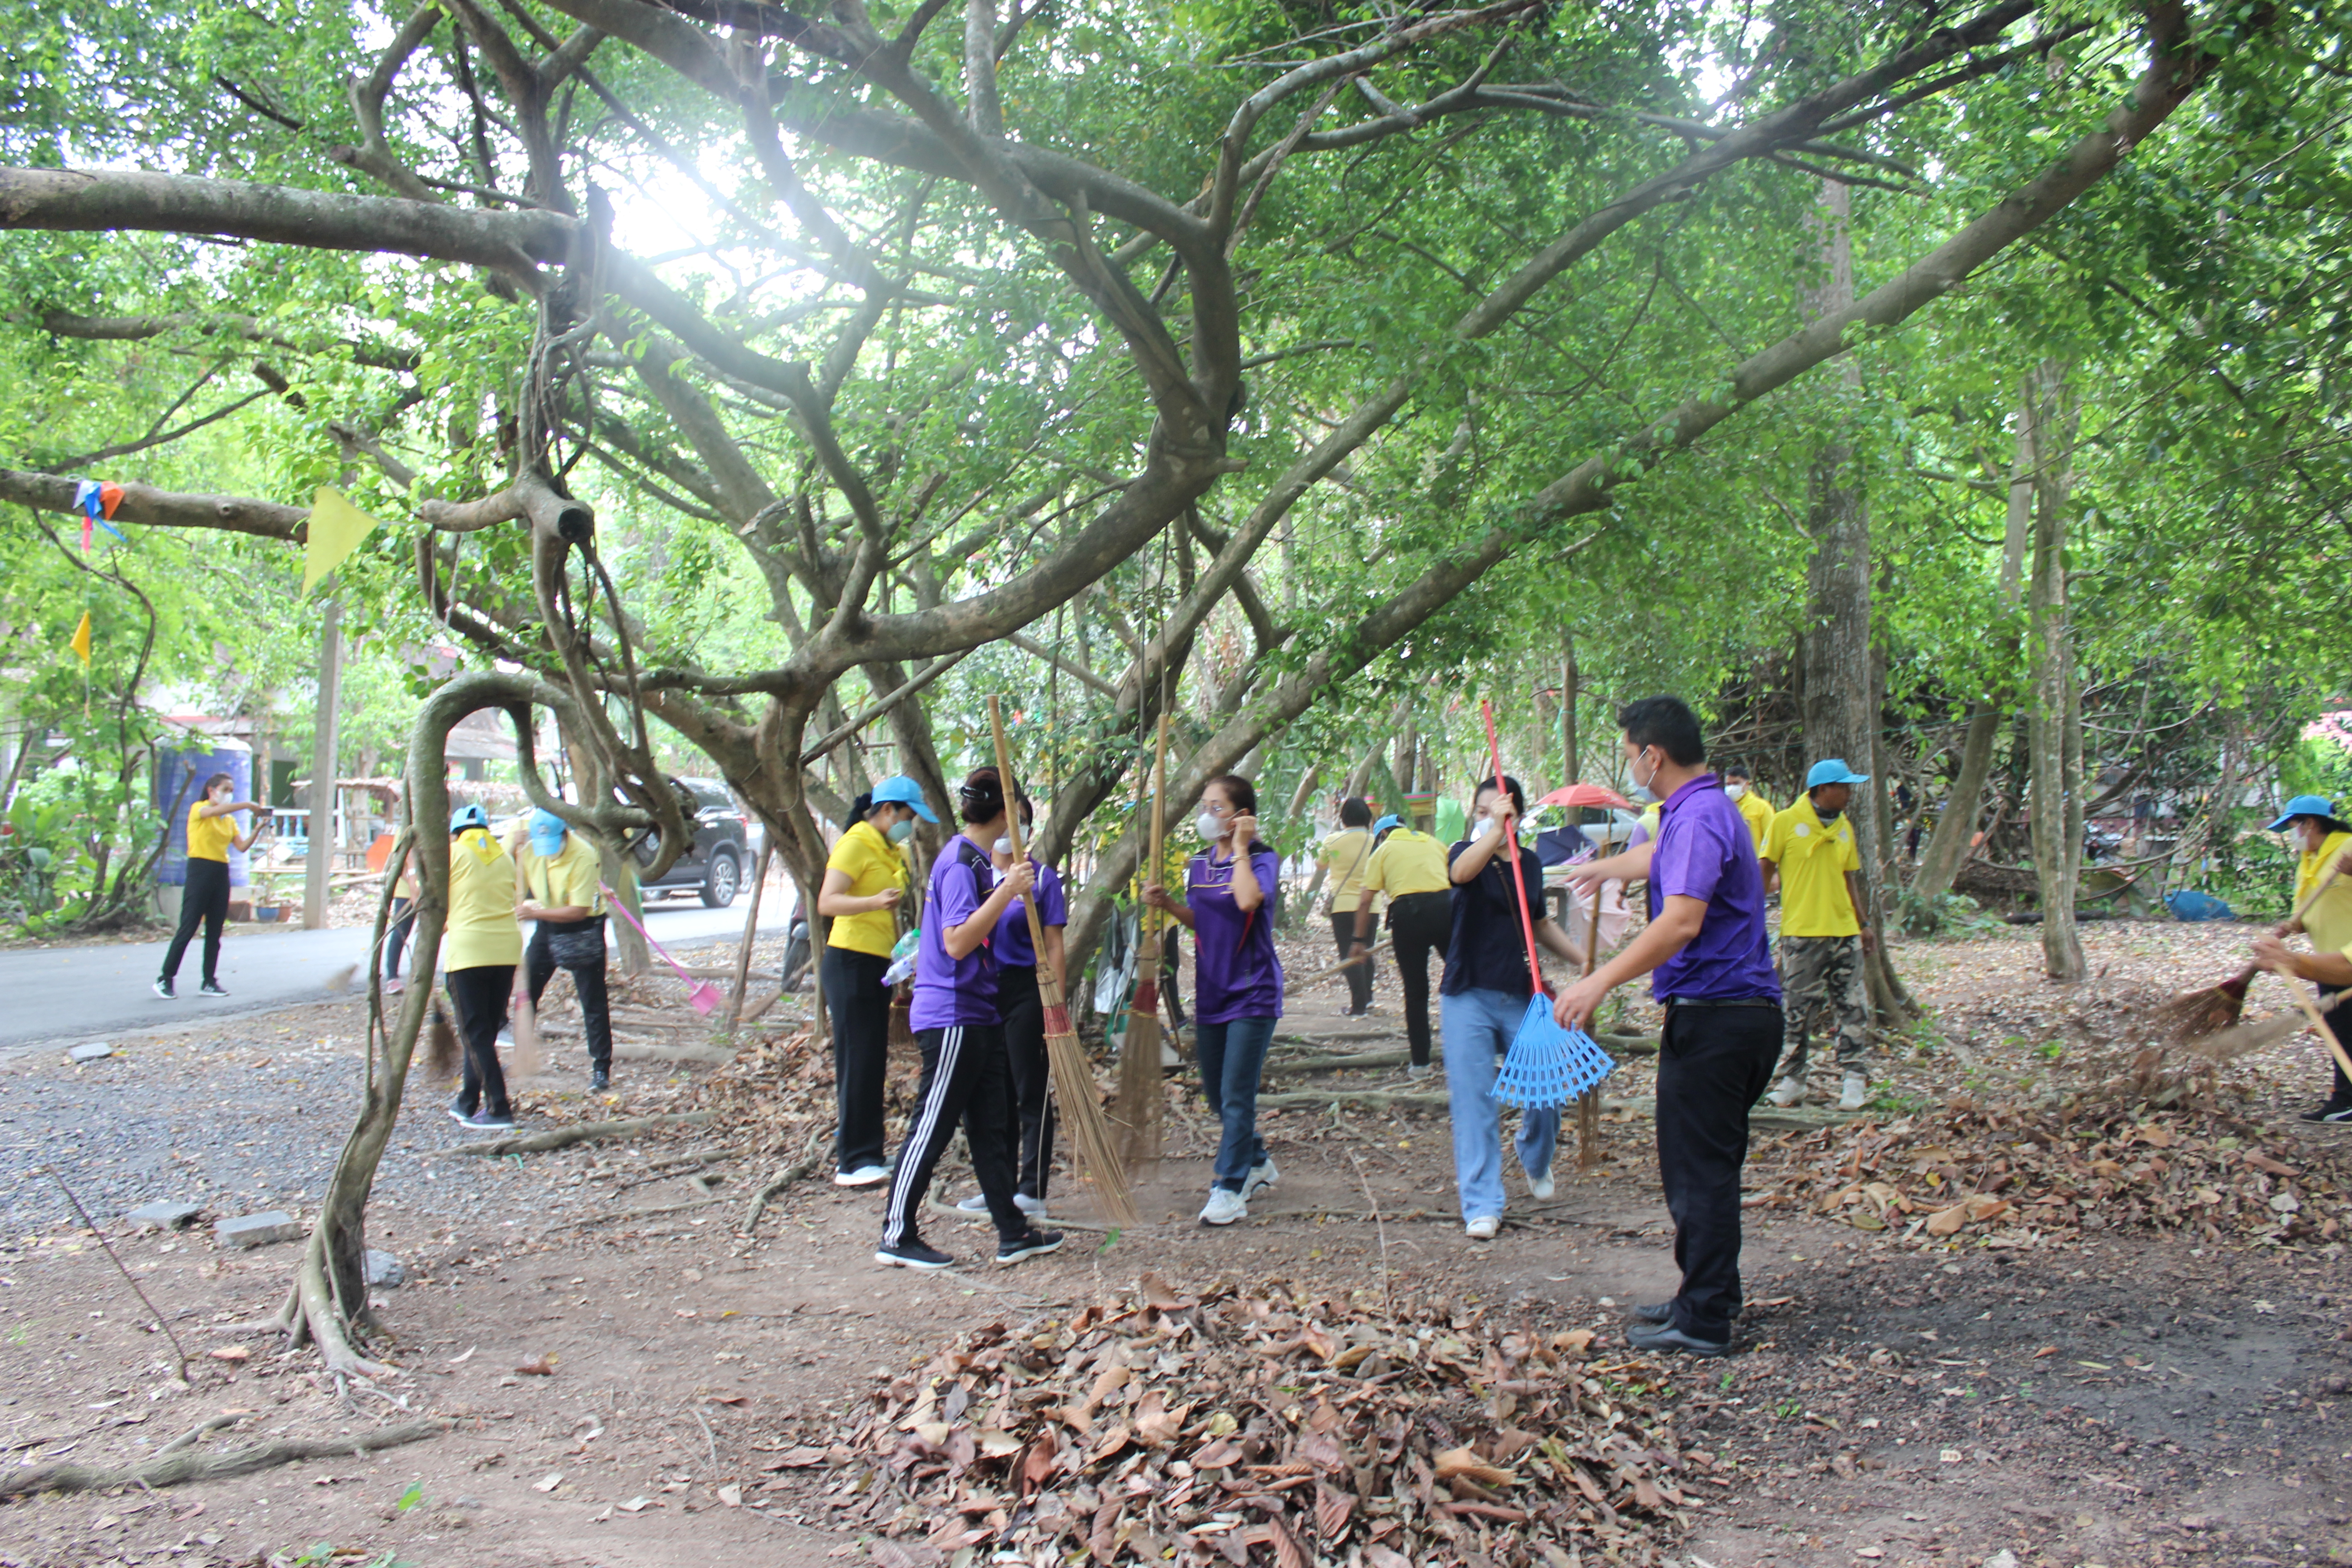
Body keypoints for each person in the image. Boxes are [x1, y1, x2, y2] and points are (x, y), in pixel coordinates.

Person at [1555, 696, 1781, 1357]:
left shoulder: (1700, 815)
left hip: (1718, 1018)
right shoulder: (1701, 809)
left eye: (1631, 756)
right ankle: (1709, 1294)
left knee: (1697, 1172)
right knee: (1706, 1166)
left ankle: (1704, 1317)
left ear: (1653, 756)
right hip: (1734, 1015)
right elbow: (1660, 860)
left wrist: (1598, 980)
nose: (1631, 768)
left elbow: (1681, 919)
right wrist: (1602, 867)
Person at [877, 767, 1063, 1269]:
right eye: (1016, 812)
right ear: (1005, 813)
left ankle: (1013, 1232)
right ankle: (896, 1233)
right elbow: (957, 942)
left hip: (980, 1011)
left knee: (989, 1127)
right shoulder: (961, 863)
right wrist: (1007, 891)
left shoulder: (975, 861)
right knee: (932, 1124)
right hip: (952, 1014)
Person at [1440, 774, 1587, 1240]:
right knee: (1475, 1102)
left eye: (1499, 811)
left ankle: (1534, 1155)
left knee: (1545, 1091)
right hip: (1467, 993)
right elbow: (1461, 874)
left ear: (1518, 817)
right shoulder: (1464, 852)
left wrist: (1585, 961)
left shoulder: (1531, 864)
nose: (1487, 818)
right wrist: (1490, 832)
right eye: (1481, 812)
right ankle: (1482, 1203)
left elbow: (1540, 924)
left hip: (1520, 994)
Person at [1145, 773, 1284, 1225]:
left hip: (1253, 992)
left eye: (1217, 807)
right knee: (1217, 1095)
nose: (1207, 815)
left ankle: (1228, 1188)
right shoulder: (1199, 863)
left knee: (1237, 1094)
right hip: (1211, 993)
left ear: (1242, 816)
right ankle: (1256, 1160)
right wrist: (1170, 905)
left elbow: (1247, 902)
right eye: (1204, 807)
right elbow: (1204, 919)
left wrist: (1241, 846)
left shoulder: (1262, 859)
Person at [818, 776, 932, 1189]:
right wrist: (872, 902)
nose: (909, 825)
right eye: (907, 816)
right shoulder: (855, 843)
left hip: (876, 964)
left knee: (871, 1060)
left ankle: (869, 1152)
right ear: (887, 811)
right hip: (848, 962)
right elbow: (827, 901)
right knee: (857, 1059)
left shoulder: (890, 849)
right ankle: (852, 1161)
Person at [957, 792, 1063, 1219]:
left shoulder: (1042, 879)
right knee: (993, 1092)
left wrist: (1055, 1005)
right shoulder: (976, 874)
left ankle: (1032, 1190)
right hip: (983, 989)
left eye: (1020, 821)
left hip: (1027, 990)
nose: (1010, 830)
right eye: (1006, 819)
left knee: (1028, 1088)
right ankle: (997, 1188)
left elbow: (1054, 945)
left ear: (1030, 831)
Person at [1760, 760, 1876, 1112]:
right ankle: (1793, 1081)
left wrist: (1863, 923)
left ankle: (1854, 1081)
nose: (1850, 793)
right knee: (1797, 1010)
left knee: (1852, 1007)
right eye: (1844, 787)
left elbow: (1848, 877)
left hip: (1843, 932)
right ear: (1823, 789)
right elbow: (1764, 870)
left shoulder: (1844, 827)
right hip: (1802, 933)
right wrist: (1751, 919)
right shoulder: (1785, 822)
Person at [2249, 795, 2352, 1122]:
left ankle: (2346, 1101)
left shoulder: (2348, 847)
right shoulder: (2309, 859)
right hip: (2327, 959)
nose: (2292, 834)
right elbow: (2306, 910)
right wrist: (2291, 926)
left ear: (2311, 823)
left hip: (2347, 958)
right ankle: (2345, 1099)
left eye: (2294, 826)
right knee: (2339, 1029)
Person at [514, 807, 615, 1092]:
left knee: (592, 998)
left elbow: (578, 910)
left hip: (582, 928)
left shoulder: (583, 855)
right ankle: (522, 1055)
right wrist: (511, 849)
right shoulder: (529, 851)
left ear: (565, 834)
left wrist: (534, 914)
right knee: (527, 991)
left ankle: (601, 1068)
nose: (549, 852)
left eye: (553, 844)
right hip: (547, 925)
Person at [442, 803, 525, 1132]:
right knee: (484, 1032)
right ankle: (467, 1102)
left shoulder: (452, 854)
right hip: (506, 951)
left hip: (469, 952)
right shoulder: (504, 857)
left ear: (455, 833)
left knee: (475, 1032)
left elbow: (434, 901)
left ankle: (499, 1108)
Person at [1352, 813, 1452, 1077]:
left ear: (1383, 834)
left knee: (1416, 991)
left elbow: (1365, 900)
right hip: (1446, 910)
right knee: (1465, 977)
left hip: (1408, 916)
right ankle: (1488, 1049)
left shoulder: (1383, 851)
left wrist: (1358, 941)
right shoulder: (1434, 843)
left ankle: (1421, 1064)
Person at [155, 773, 268, 999]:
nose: (228, 795)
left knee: (215, 930)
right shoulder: (199, 809)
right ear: (211, 791)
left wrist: (258, 828)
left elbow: (242, 847)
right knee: (189, 926)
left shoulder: (229, 821)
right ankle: (166, 978)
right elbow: (213, 812)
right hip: (200, 869)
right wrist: (247, 805)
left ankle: (209, 981)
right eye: (225, 790)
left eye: (231, 791)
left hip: (220, 871)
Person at [1319, 798, 1378, 1015]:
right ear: (1368, 818)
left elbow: (1320, 865)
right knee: (1367, 950)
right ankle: (1368, 999)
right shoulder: (1376, 841)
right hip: (1371, 905)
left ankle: (1358, 1005)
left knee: (1349, 954)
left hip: (1343, 905)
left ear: (1343, 818)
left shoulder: (1332, 840)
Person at [381, 841, 418, 995]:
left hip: (427, 888)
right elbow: (397, 861)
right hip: (406, 890)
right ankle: (392, 978)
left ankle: (420, 976)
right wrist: (413, 883)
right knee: (401, 932)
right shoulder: (404, 833)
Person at [1723, 764, 1773, 855]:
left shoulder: (1762, 807)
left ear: (1747, 784)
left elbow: (1771, 839)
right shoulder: (1722, 808)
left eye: (1736, 783)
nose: (1731, 788)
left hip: (1754, 861)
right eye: (1728, 784)